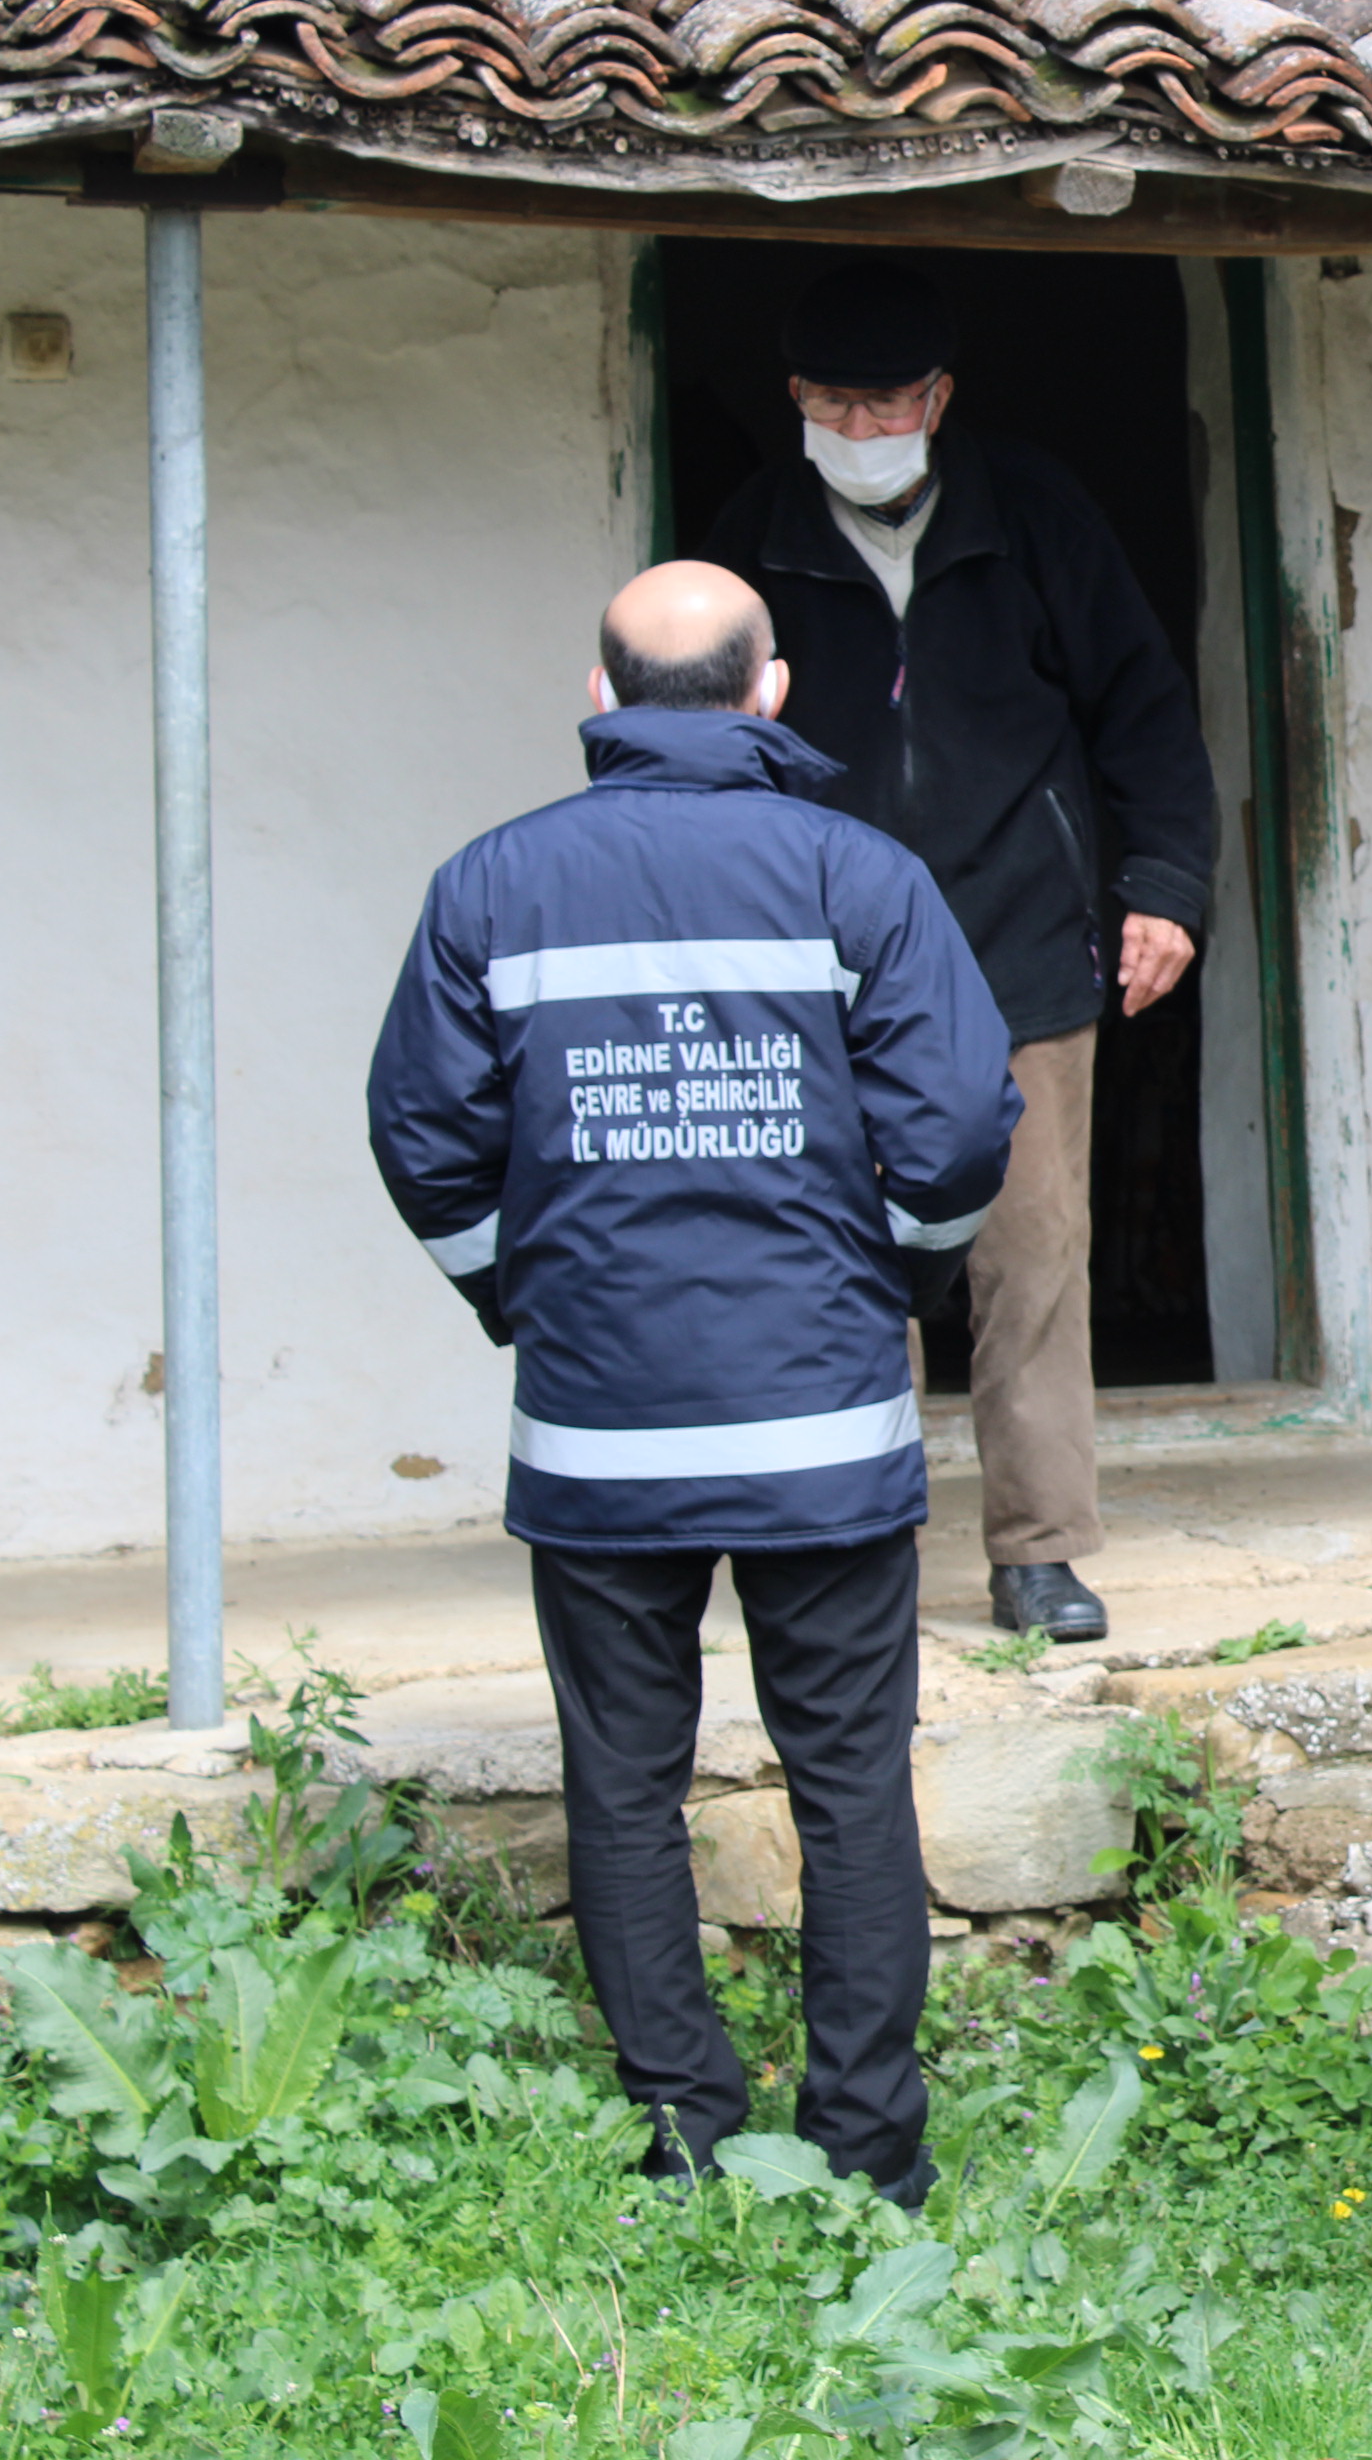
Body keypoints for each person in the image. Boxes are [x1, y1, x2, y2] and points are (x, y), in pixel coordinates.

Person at [367, 562, 1022, 2209]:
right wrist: (889, 1275)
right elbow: (955, 1130)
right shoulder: (854, 875)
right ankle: (868, 2154)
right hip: (824, 1433)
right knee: (850, 1783)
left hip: (600, 1437)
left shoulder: (487, 888)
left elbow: (419, 1139)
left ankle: (683, 2129)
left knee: (624, 1784)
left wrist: (516, 1295)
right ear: (771, 692)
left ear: (596, 700)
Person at [702, 260, 1216, 1644]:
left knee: (1030, 1257)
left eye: (890, 403)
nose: (864, 430)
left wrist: (1164, 886)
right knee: (826, 1258)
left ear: (941, 397)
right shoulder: (750, 540)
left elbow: (1144, 714)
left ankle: (1040, 1550)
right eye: (835, 403)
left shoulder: (1036, 515)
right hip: (816, 965)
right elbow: (708, 752)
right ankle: (838, 1540)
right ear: (796, 401)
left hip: (1019, 947)